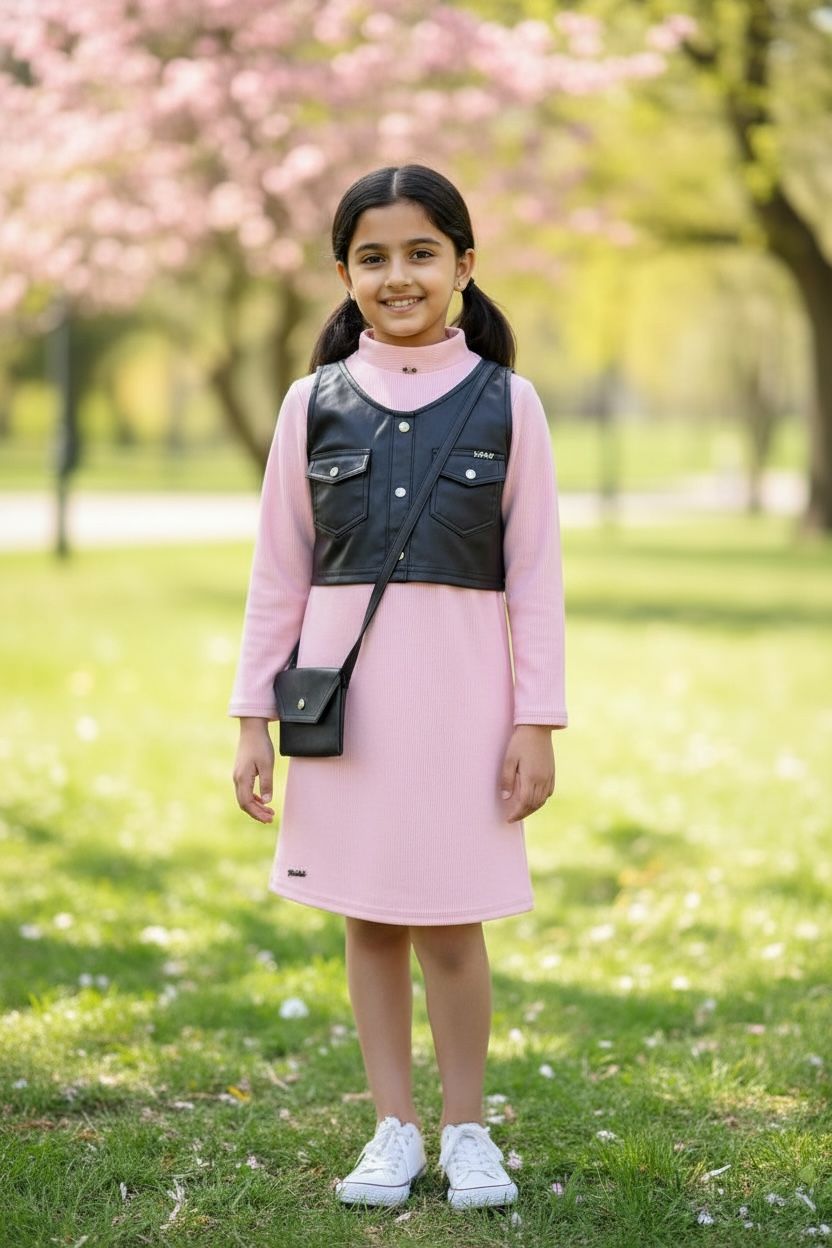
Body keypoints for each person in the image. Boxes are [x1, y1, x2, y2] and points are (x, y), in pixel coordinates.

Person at [229, 164, 567, 1212]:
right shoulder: (309, 404)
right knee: (368, 920)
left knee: (452, 922)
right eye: (373, 257)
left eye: (422, 252)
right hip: (347, 715)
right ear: (344, 273)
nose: (399, 274)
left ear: (463, 264)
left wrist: (536, 722)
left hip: (463, 710)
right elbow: (277, 572)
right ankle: (393, 1129)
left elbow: (539, 577)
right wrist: (250, 717)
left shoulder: (511, 404)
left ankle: (468, 1129)